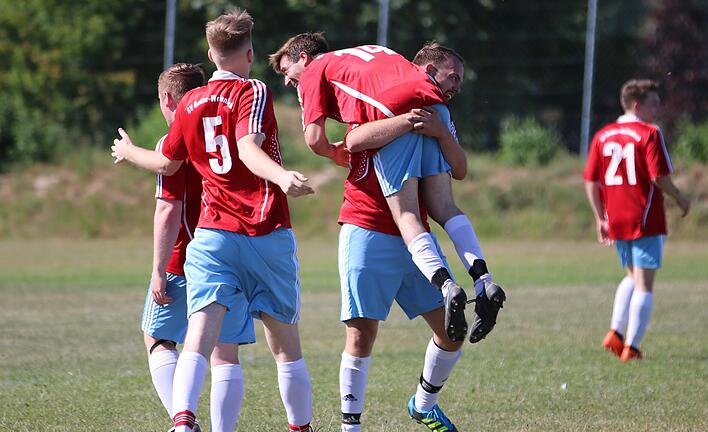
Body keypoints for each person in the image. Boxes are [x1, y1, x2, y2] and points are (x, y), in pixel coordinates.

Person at [112, 9, 315, 432]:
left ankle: (183, 422)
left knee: (199, 338)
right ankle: (301, 428)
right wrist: (281, 176)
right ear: (251, 52)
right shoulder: (253, 89)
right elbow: (245, 147)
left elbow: (167, 163)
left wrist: (129, 152)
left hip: (212, 236)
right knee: (285, 347)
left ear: (210, 52)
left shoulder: (189, 101)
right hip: (264, 230)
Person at [269, 38, 480, 432]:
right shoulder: (364, 110)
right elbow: (352, 140)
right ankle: (351, 427)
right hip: (366, 226)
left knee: (453, 331)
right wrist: (399, 124)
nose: (287, 82)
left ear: (304, 58)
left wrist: (434, 129)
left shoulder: (421, 108)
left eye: (287, 71)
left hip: (415, 239)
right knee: (361, 334)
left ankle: (423, 404)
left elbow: (457, 170)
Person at [139, 63, 257, 432]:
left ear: (166, 98)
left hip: (187, 255)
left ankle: (183, 422)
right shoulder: (234, 130)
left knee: (158, 339)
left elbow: (168, 208)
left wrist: (159, 269)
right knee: (225, 352)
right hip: (234, 247)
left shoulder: (174, 137)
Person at [583, 79, 690, 363]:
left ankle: (615, 333)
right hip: (645, 217)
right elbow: (658, 177)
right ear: (636, 105)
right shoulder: (650, 133)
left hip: (616, 217)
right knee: (644, 284)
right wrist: (679, 196)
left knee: (632, 276)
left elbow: (591, 181)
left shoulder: (603, 135)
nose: (658, 108)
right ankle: (632, 346)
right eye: (654, 103)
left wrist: (599, 217)